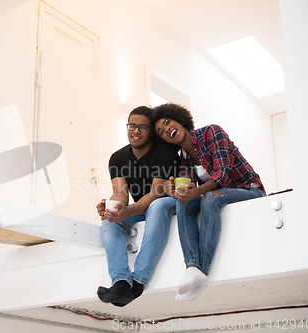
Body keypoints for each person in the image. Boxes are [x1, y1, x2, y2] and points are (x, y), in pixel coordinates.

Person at [152, 103, 265, 301]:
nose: (166, 129)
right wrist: (174, 191)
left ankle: (202, 273)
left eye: (168, 122)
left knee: (210, 196)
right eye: (161, 131)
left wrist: (198, 191)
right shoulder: (184, 158)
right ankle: (191, 267)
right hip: (220, 194)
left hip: (250, 190)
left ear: (180, 119)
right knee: (182, 203)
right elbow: (188, 189)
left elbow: (223, 175)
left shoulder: (212, 132)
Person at [96, 106, 179, 307]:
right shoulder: (117, 158)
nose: (136, 131)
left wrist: (130, 210)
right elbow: (121, 194)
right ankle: (121, 282)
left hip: (169, 202)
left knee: (157, 206)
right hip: (142, 209)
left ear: (151, 131)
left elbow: (156, 192)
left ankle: (138, 282)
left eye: (142, 127)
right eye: (132, 126)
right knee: (110, 221)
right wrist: (111, 207)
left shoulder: (165, 151)